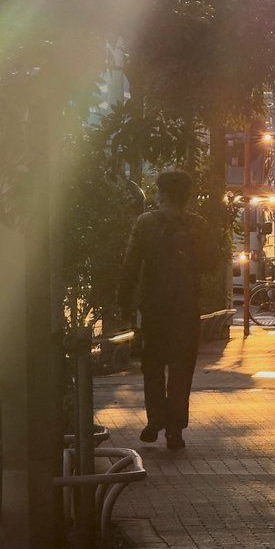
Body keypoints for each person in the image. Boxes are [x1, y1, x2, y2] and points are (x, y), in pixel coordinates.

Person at [118, 169, 211, 451]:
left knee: (153, 367)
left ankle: (156, 418)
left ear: (164, 194)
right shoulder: (199, 226)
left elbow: (131, 264)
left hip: (154, 307)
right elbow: (211, 263)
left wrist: (123, 301)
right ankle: (175, 430)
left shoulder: (145, 223)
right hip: (185, 308)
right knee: (182, 370)